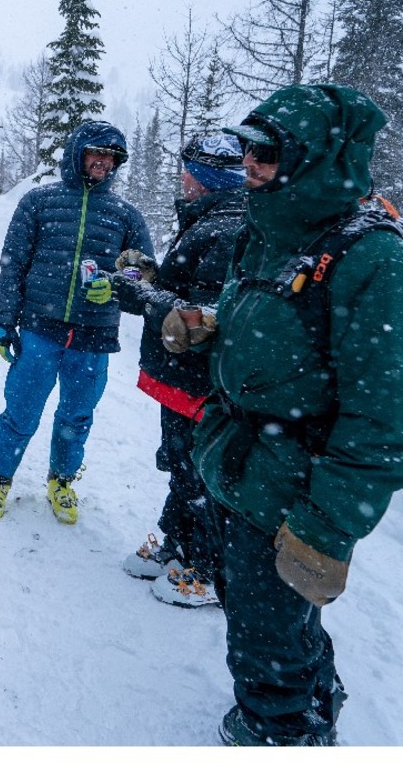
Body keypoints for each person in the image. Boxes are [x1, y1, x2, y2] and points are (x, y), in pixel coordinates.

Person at [184, 83, 403, 746]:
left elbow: (383, 421)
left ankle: (280, 731)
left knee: (264, 629)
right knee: (266, 609)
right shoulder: (270, 230)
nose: (250, 165)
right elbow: (277, 325)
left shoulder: (373, 259)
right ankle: (312, 692)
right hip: (241, 465)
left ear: (318, 158)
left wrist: (326, 528)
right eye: (248, 150)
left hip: (295, 487)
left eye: (268, 154)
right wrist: (213, 328)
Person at [0, 120, 153, 524]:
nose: (104, 163)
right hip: (41, 329)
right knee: (21, 411)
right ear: (78, 154)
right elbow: (13, 266)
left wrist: (115, 287)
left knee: (77, 416)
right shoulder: (39, 202)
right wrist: (6, 323)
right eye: (97, 154)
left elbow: (143, 273)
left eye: (111, 158)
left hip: (95, 336)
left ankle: (61, 480)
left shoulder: (126, 215)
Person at [112, 133, 247, 607]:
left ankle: (207, 570)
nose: (183, 178)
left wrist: (142, 296)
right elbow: (191, 294)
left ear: (208, 177)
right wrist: (152, 277)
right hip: (184, 382)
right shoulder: (210, 221)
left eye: (189, 170)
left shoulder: (228, 227)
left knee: (200, 474)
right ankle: (179, 545)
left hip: (202, 384)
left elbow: (207, 317)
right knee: (181, 466)